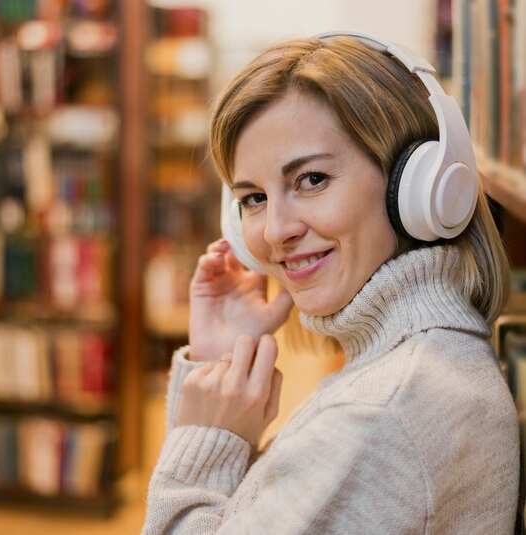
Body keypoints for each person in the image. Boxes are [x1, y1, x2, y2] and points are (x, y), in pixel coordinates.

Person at [142, 32, 520, 534]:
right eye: (253, 198)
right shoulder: (407, 372)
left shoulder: (382, 416)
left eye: (312, 180)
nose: (276, 230)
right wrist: (222, 367)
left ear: (420, 184)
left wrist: (210, 435)